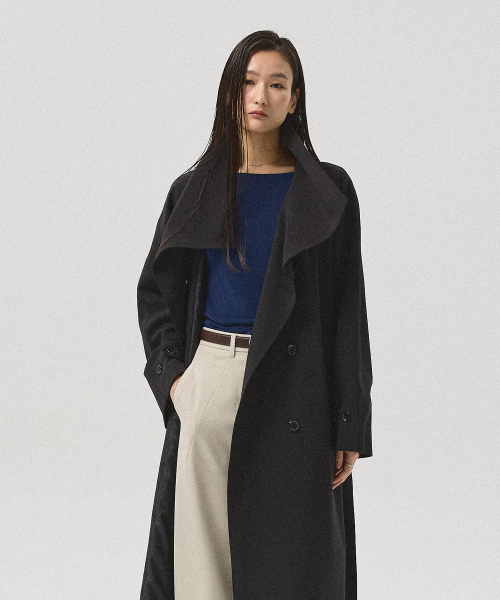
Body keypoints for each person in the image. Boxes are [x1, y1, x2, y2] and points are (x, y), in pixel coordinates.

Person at [137, 30, 373, 600]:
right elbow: (155, 294)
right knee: (203, 567)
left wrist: (350, 421)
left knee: (294, 564)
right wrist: (176, 382)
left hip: (299, 392)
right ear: (230, 91)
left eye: (277, 84)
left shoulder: (329, 189)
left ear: (295, 98)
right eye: (248, 82)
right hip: (211, 382)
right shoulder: (193, 190)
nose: (260, 96)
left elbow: (349, 310)